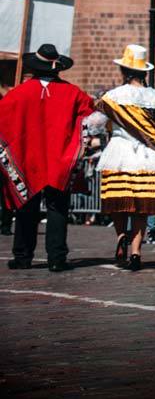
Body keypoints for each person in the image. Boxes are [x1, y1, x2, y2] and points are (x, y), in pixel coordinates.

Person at [84, 44, 155, 271]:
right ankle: (136, 252)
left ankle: (120, 237)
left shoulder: (113, 97)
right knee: (141, 207)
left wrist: (109, 122)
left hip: (119, 154)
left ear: (123, 71)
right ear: (145, 72)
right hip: (148, 157)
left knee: (118, 202)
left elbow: (92, 125)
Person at [0, 45, 94, 272]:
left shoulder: (18, 93)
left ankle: (22, 257)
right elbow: (90, 120)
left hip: (27, 160)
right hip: (60, 160)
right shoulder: (74, 93)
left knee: (25, 209)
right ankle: (56, 258)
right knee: (58, 210)